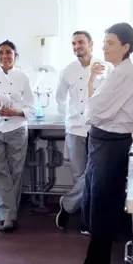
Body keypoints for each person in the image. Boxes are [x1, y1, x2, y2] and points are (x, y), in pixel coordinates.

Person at [64, 22, 133, 264]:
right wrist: (91, 89)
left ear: (126, 47)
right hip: (104, 142)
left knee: (102, 208)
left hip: (110, 145)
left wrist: (92, 101)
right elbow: (95, 107)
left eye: (110, 42)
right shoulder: (117, 72)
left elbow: (96, 110)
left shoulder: (124, 74)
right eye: (104, 42)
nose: (104, 47)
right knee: (96, 205)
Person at [0, 40, 36, 232]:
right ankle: (6, 216)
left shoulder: (23, 77)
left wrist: (15, 112)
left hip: (17, 129)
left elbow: (31, 108)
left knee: (15, 172)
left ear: (15, 56)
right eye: (1, 53)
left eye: (9, 53)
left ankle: (5, 215)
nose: (5, 56)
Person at [54, 30, 105, 234]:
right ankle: (85, 221)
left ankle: (67, 205)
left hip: (96, 127)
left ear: (91, 44)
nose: (77, 47)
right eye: (74, 43)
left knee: (92, 175)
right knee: (79, 176)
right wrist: (69, 115)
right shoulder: (68, 71)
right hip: (75, 128)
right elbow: (59, 99)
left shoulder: (104, 67)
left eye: (81, 42)